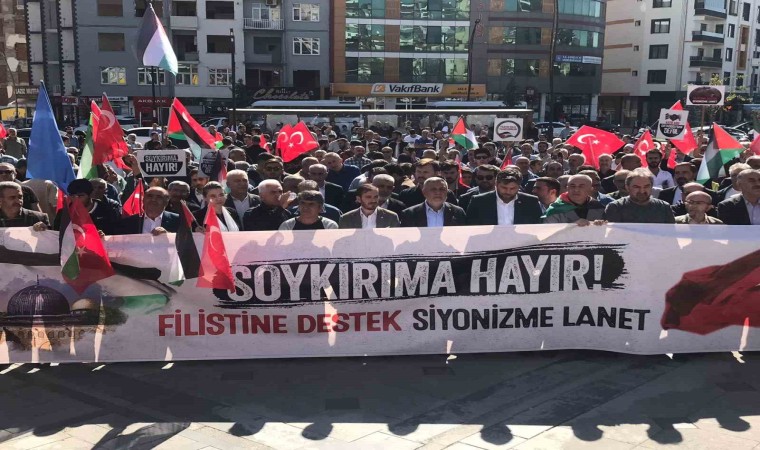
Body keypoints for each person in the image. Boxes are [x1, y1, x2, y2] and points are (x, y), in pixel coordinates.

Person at [466, 168, 543, 225]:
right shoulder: (479, 201)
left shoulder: (530, 202)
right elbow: (470, 227)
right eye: (504, 188)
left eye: (512, 188)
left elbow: (537, 226)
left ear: (519, 187)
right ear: (496, 184)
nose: (508, 192)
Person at [604, 168, 675, 223]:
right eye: (636, 187)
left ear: (651, 187)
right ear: (627, 187)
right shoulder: (615, 207)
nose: (642, 191)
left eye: (646, 186)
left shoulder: (664, 208)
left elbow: (671, 233)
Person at [53, 179, 120, 234]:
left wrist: (103, 235)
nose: (76, 199)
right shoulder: (64, 214)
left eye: (80, 196)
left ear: (90, 194)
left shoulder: (107, 210)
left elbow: (116, 233)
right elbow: (56, 234)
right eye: (73, 196)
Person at [399, 177, 466, 227]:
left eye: (442, 189)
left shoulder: (458, 212)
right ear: (424, 192)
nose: (438, 192)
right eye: (433, 189)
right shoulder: (410, 214)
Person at [115, 187, 180, 235]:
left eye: (159, 197)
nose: (153, 199)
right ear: (143, 200)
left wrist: (168, 235)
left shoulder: (178, 220)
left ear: (166, 202)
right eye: (150, 196)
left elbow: (184, 242)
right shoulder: (129, 222)